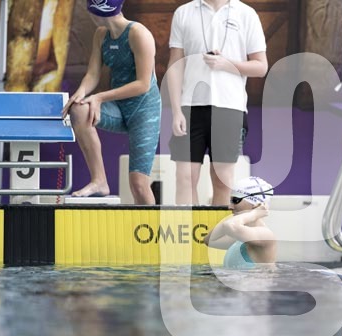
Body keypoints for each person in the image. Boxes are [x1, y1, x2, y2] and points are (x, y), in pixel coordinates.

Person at [166, 0, 268, 205]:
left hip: (230, 107)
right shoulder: (184, 12)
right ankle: (188, 226)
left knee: (222, 180)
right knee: (185, 178)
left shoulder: (246, 14)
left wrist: (227, 64)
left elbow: (261, 66)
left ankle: (218, 227)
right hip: (190, 107)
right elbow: (175, 65)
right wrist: (176, 110)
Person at [62, 0, 161, 205]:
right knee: (79, 110)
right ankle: (99, 181)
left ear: (97, 11)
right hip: (118, 107)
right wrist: (79, 95)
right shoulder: (101, 34)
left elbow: (143, 84)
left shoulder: (138, 34)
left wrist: (100, 97)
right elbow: (92, 74)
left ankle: (150, 225)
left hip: (144, 111)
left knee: (139, 184)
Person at [204, 177, 276, 268]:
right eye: (230, 201)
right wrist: (251, 215)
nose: (230, 206)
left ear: (256, 204)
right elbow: (209, 240)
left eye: (235, 200)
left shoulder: (265, 235)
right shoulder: (240, 235)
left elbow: (230, 225)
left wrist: (254, 214)